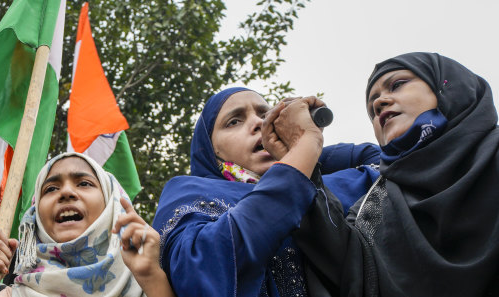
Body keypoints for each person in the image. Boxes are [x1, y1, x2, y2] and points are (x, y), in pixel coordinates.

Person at [290, 52, 499, 296]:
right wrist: (300, 148)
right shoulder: (372, 207)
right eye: (371, 108)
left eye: (397, 85)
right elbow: (350, 271)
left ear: (446, 86)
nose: (379, 103)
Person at [152, 87, 381, 297]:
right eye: (234, 121)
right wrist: (302, 152)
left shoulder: (318, 185)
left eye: (265, 115)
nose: (258, 124)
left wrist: (302, 148)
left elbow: (388, 162)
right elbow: (200, 269)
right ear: (212, 151)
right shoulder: (189, 192)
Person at [0, 152, 175, 297]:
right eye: (50, 189)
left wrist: (151, 277)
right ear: (36, 216)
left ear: (111, 206)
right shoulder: (8, 294)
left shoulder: (152, 280)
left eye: (84, 183)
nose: (66, 192)